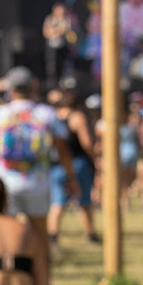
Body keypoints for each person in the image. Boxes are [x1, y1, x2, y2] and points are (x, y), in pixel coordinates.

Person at [0, 67, 76, 285]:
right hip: (38, 182)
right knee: (40, 237)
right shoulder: (46, 114)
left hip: (5, 184)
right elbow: (62, 149)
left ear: (10, 90)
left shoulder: (0, 114)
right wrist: (70, 178)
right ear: (33, 87)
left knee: (3, 238)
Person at [47, 88, 99, 246]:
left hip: (57, 164)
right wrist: (96, 154)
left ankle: (53, 235)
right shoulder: (77, 117)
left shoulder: (53, 116)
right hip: (77, 163)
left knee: (58, 201)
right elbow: (87, 143)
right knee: (83, 200)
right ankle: (91, 234)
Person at [43, 2, 74, 86]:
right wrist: (55, 31)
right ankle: (52, 81)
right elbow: (46, 32)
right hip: (52, 46)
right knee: (52, 65)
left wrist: (55, 31)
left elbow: (65, 30)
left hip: (62, 46)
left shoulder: (65, 19)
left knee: (63, 64)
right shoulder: (49, 19)